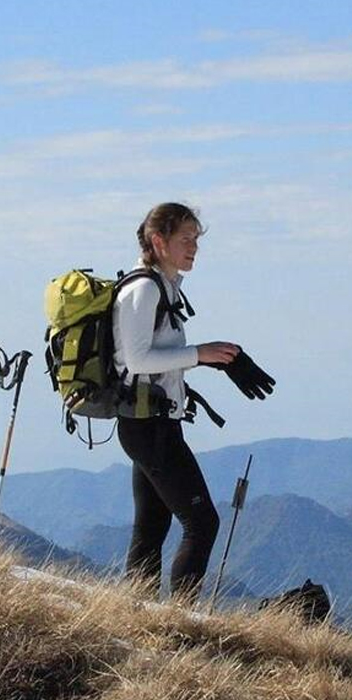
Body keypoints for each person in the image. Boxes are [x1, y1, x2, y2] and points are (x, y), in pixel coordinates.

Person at [113, 202, 239, 602]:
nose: (194, 248)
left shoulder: (163, 287)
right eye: (186, 239)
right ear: (158, 241)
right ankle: (181, 623)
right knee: (202, 522)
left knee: (151, 526)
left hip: (152, 421)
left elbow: (153, 361)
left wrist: (212, 358)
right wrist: (199, 353)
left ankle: (137, 613)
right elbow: (136, 360)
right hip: (147, 425)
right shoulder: (144, 289)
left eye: (196, 240)